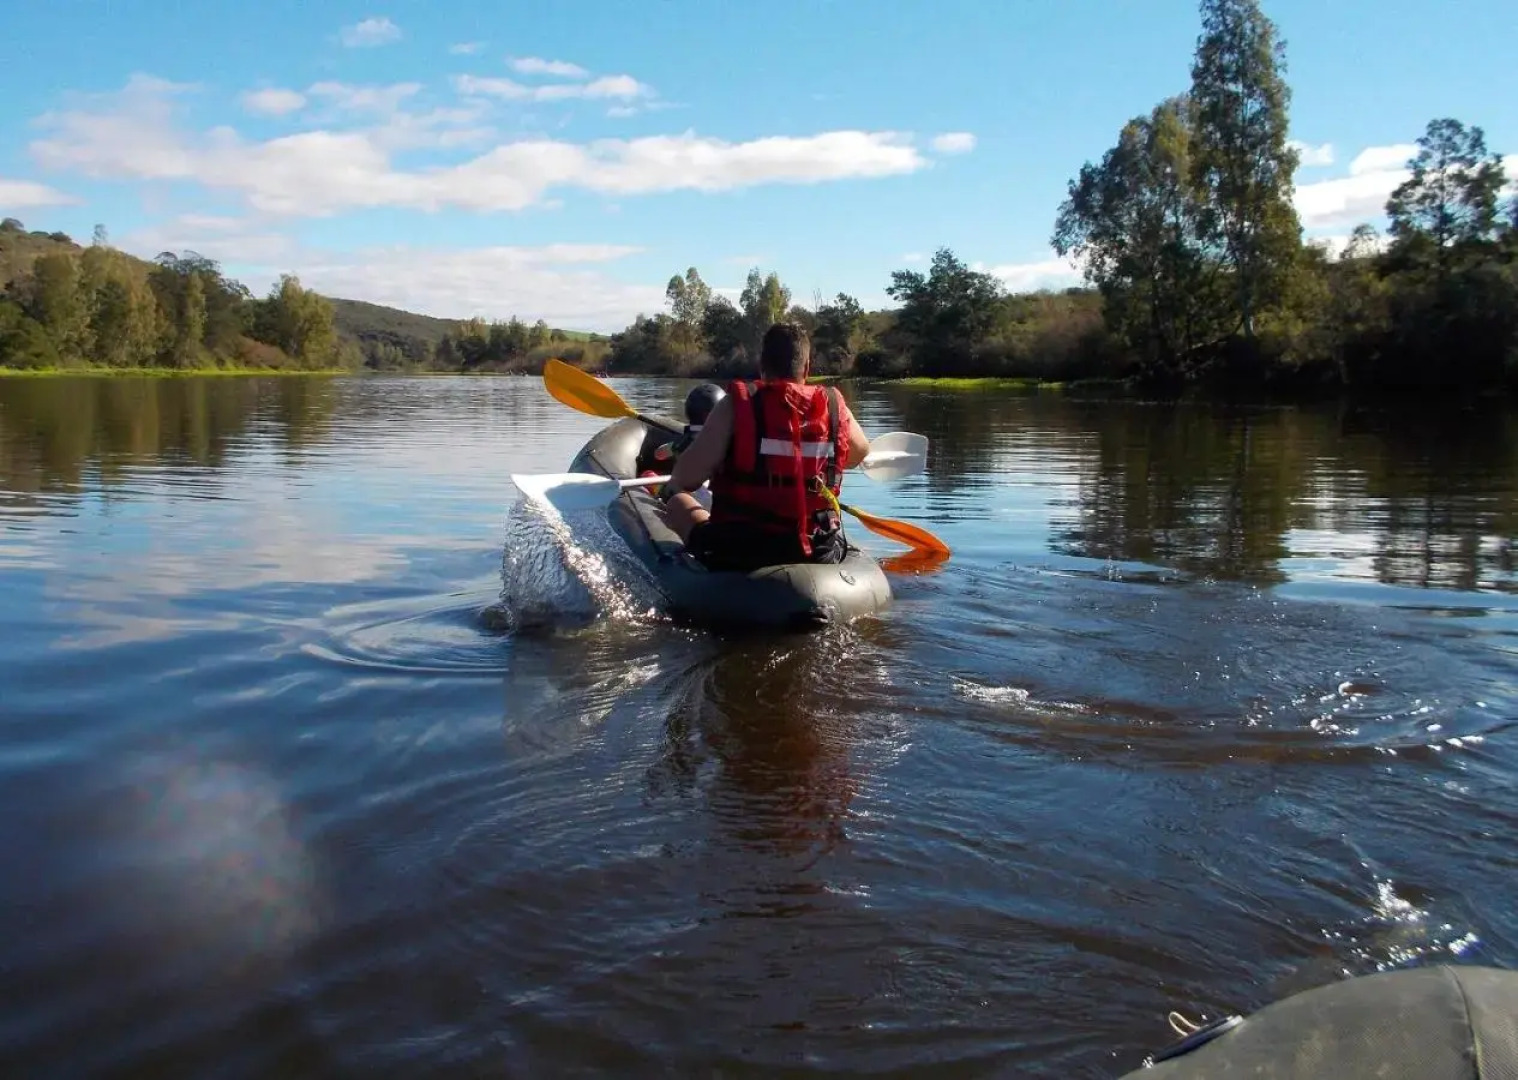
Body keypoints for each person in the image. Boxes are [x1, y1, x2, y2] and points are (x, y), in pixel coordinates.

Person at [659, 322, 872, 571]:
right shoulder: (835, 406)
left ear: (762, 367)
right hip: (817, 548)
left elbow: (685, 479)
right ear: (806, 368)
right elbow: (858, 454)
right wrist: (805, 469)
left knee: (676, 501)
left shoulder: (735, 405)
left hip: (742, 548)